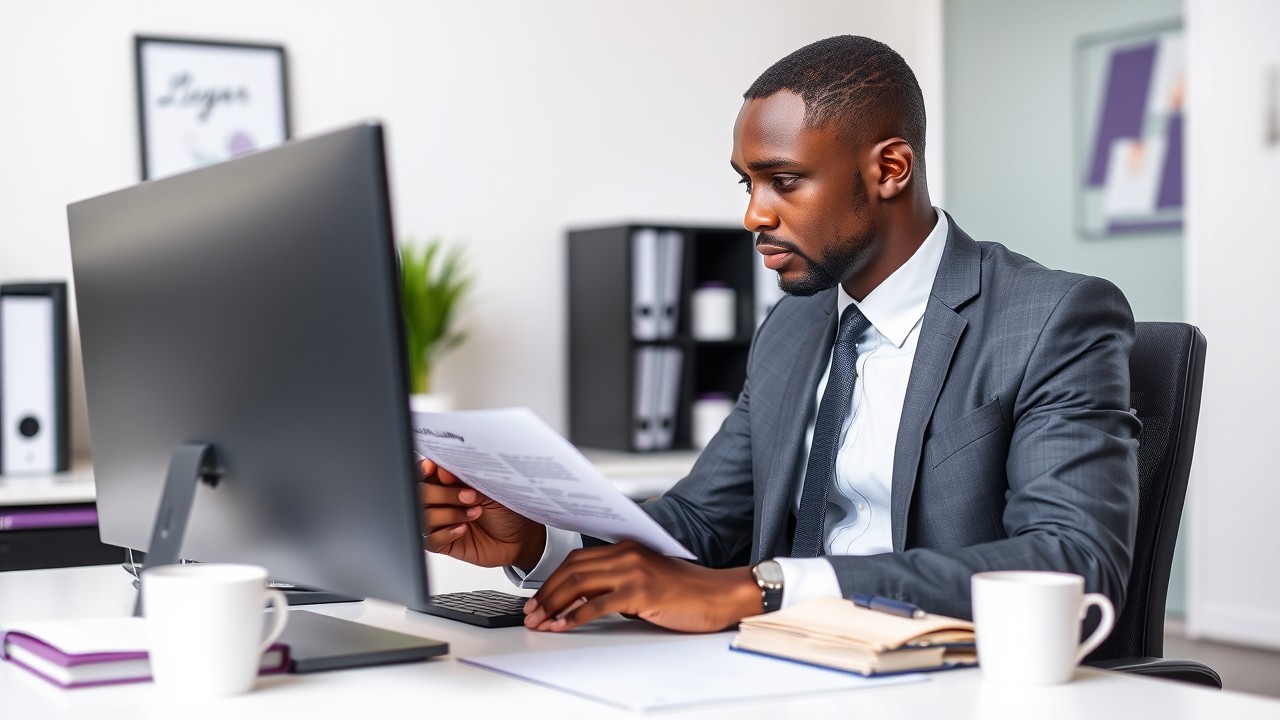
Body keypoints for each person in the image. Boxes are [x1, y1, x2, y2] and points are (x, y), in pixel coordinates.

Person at [420, 35, 1139, 634]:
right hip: (779, 666)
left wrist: (763, 588)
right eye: (747, 185)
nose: (753, 216)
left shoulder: (1051, 319)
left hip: (940, 675)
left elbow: (1072, 561)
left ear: (889, 168)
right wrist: (542, 540)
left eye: (784, 181)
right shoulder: (794, 324)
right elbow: (701, 523)